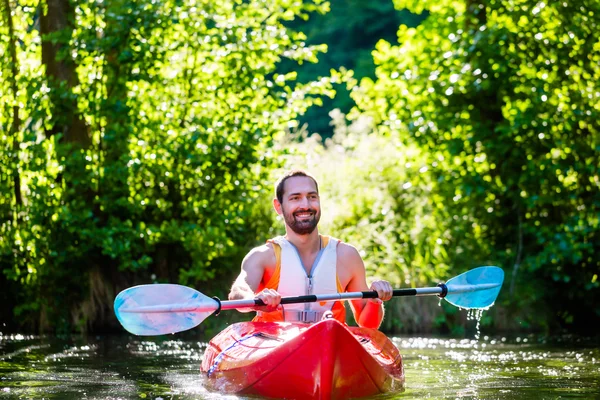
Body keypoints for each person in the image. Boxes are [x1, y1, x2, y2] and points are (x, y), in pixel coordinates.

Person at [229, 169, 393, 329]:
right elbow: (238, 293)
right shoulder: (263, 256)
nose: (305, 205)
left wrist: (375, 300)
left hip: (329, 341)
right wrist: (257, 300)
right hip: (274, 341)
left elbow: (368, 324)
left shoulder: (346, 255)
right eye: (295, 198)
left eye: (312, 197)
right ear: (278, 206)